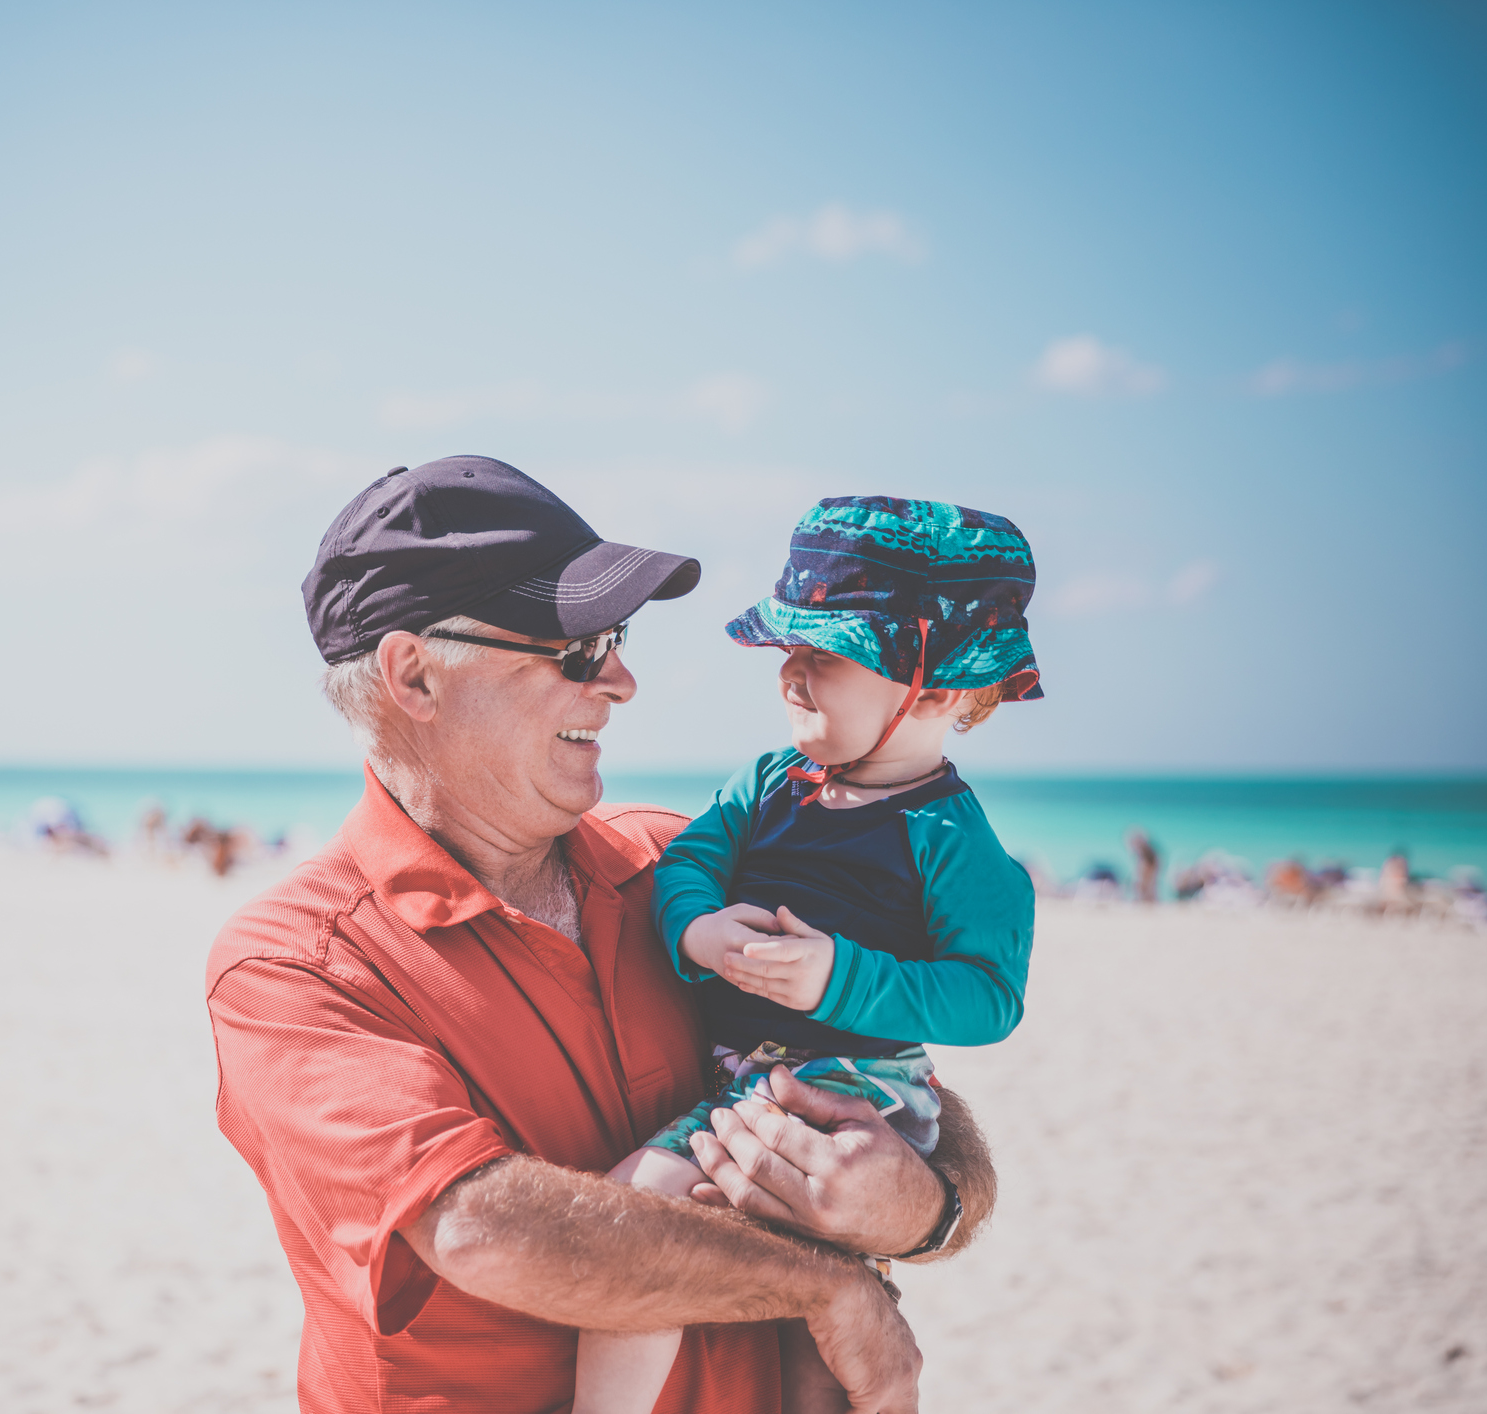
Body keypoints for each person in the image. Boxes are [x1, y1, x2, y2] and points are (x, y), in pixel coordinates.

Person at [207, 459, 997, 1413]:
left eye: (614, 638)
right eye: (576, 650)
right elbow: (481, 1228)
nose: (621, 680)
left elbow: (903, 1082)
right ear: (413, 673)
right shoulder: (295, 965)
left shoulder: (682, 870)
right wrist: (827, 1287)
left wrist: (928, 1203)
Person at [573, 496, 1040, 1414]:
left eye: (823, 655)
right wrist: (697, 929)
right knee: (805, 1312)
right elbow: (693, 860)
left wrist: (840, 976)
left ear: (936, 691)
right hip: (741, 1073)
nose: (789, 674)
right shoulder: (768, 782)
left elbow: (987, 997)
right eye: (785, 649)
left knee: (641, 1218)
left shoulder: (952, 838)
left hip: (854, 1087)